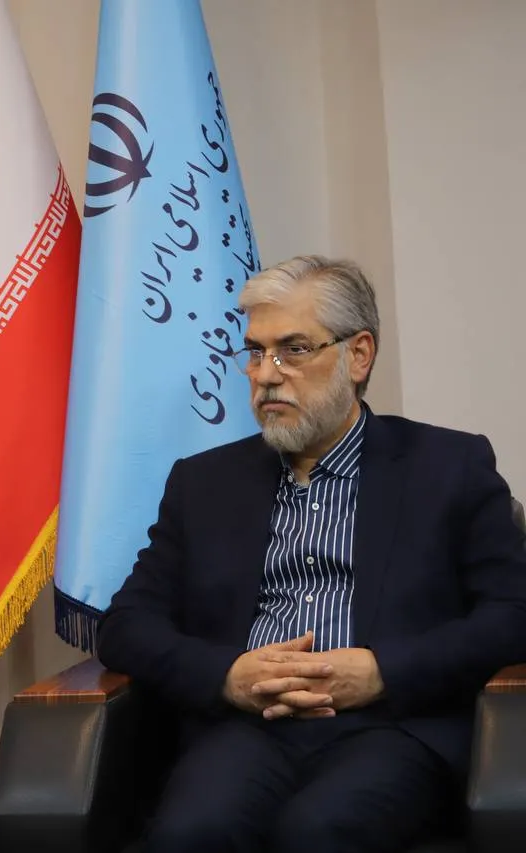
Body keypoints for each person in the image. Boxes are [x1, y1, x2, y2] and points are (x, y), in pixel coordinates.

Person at [96, 255, 526, 853]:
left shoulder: (449, 467)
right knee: (192, 832)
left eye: (293, 350)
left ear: (359, 355)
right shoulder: (204, 484)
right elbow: (125, 626)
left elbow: (512, 615)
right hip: (246, 729)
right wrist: (228, 675)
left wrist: (382, 671)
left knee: (320, 832)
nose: (265, 375)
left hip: (392, 727)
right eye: (255, 352)